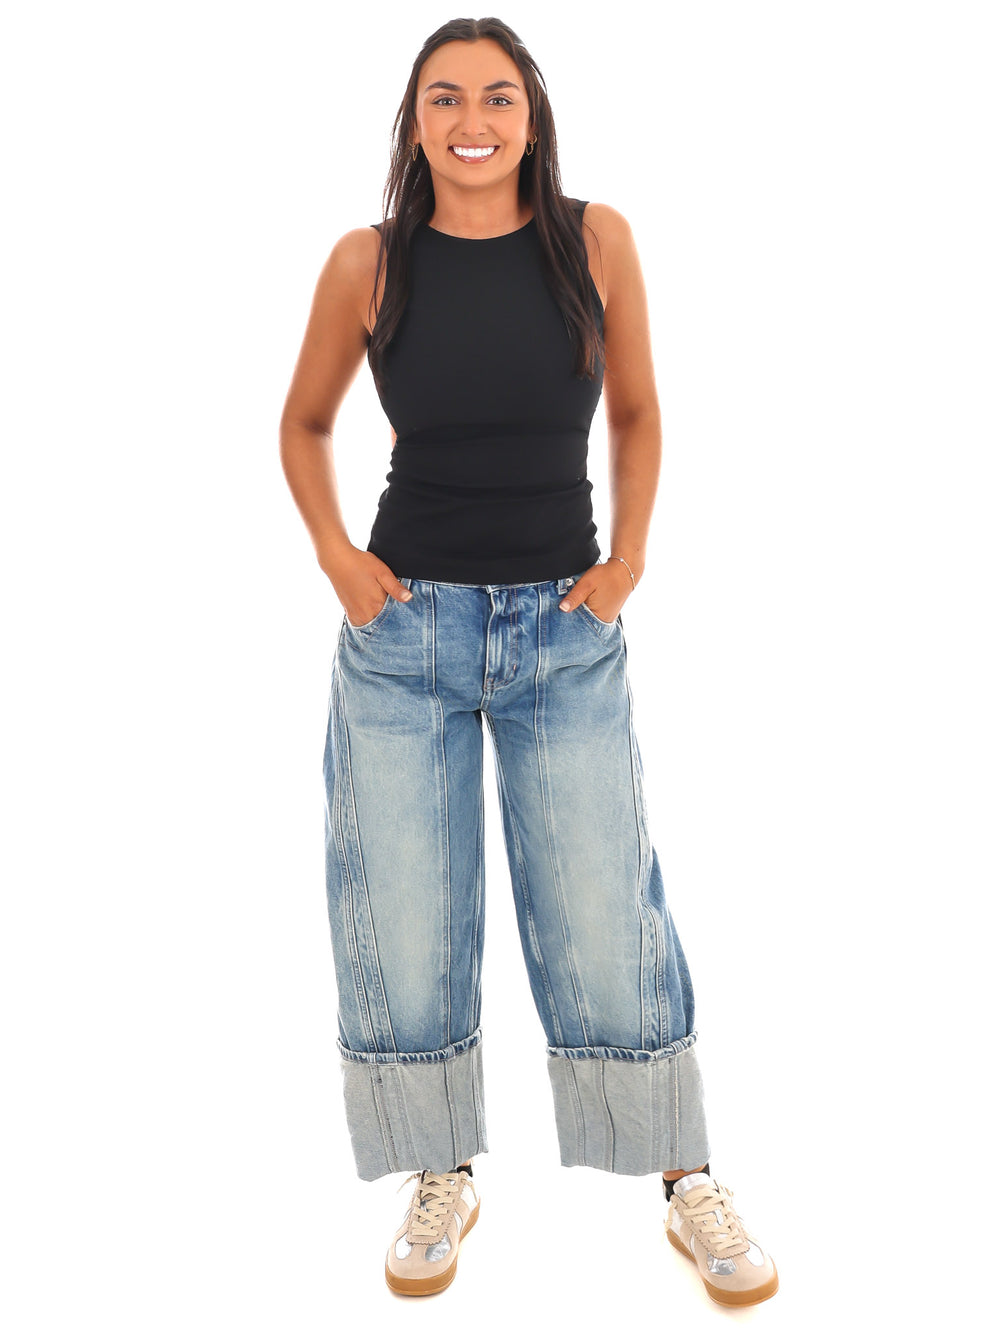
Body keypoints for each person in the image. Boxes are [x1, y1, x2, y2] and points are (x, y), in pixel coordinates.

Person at [279, 15, 777, 1308]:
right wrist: (338, 558)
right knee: (403, 913)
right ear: (415, 122)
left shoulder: (595, 241)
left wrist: (629, 562)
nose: (473, 120)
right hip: (404, 636)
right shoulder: (368, 263)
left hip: (564, 630)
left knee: (608, 908)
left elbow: (640, 408)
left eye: (498, 96)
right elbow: (304, 422)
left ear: (533, 116)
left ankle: (686, 1174)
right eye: (444, 98)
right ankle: (437, 1169)